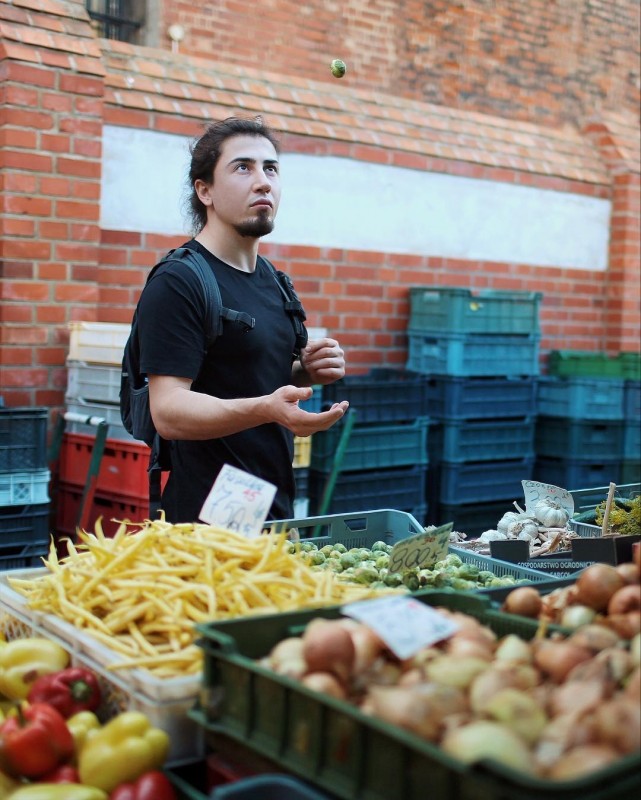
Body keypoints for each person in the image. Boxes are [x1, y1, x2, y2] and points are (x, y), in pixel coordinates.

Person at [134, 116, 349, 523]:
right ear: (205, 191)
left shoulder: (274, 281)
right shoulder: (179, 281)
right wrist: (267, 409)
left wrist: (305, 371)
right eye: (243, 168)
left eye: (271, 168)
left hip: (273, 510)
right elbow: (169, 410)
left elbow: (245, 376)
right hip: (204, 525)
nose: (263, 182)